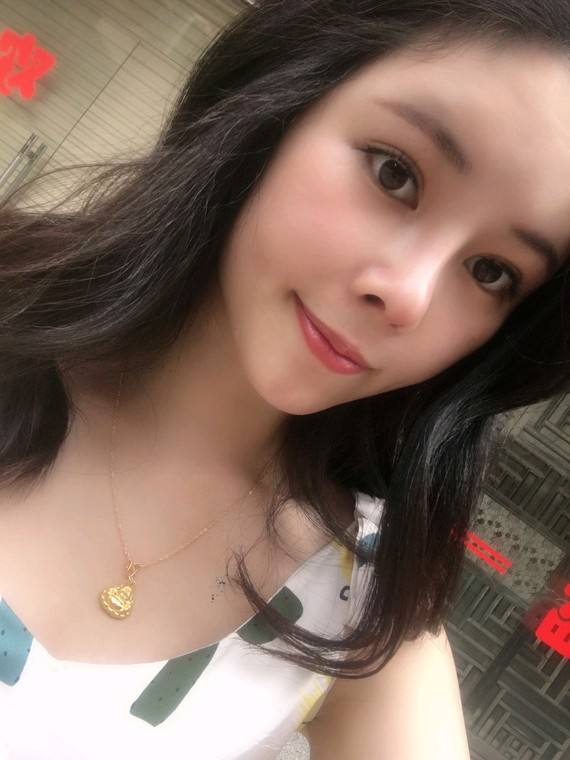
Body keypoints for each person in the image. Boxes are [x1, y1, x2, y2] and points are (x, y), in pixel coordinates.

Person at [0, 0, 568, 757]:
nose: (408, 295)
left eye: (492, 271)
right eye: (395, 174)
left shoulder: (358, 621)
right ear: (280, 103)